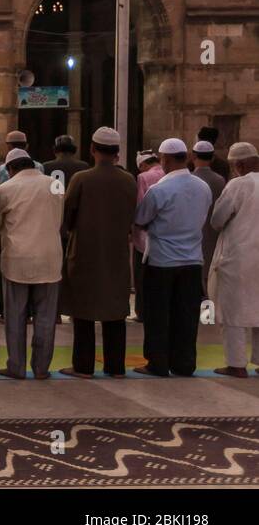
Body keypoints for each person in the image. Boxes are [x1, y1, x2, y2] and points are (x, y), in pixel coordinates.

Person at [58, 127, 138, 379]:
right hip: (116, 253)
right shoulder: (129, 180)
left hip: (85, 252)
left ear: (92, 149)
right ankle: (115, 366)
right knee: (115, 309)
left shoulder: (82, 179)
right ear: (117, 152)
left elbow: (67, 216)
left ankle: (83, 366)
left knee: (83, 310)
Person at [134, 138, 212, 377]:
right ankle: (184, 363)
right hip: (192, 260)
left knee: (158, 315)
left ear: (165, 160)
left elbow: (141, 219)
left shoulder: (159, 190)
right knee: (187, 315)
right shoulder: (202, 187)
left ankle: (157, 363)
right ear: (186, 156)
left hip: (161, 261)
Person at [0, 148, 65, 379]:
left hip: (17, 259)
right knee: (45, 317)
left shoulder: (5, 189)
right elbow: (59, 219)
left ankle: (16, 366)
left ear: (11, 168)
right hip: (49, 258)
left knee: (15, 316)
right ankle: (42, 368)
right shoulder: (55, 185)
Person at [208, 142, 259, 377]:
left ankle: (236, 365)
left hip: (238, 259)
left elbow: (218, 219)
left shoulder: (238, 185)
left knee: (233, 312)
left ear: (238, 164)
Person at [0, 130, 44, 320]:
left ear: (7, 146)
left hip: (9, 226)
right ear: (27, 146)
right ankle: (30, 311)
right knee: (33, 270)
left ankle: (7, 311)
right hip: (35, 225)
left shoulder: (1, 169)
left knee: (5, 269)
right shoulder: (39, 167)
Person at [132, 149, 165, 322]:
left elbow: (140, 207)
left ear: (143, 164)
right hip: (166, 237)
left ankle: (142, 312)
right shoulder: (168, 173)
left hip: (144, 237)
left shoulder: (143, 178)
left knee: (142, 277)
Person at [190, 139, 226, 291]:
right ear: (212, 158)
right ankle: (208, 312)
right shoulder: (220, 180)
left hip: (192, 235)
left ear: (193, 157)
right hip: (212, 234)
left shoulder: (189, 179)